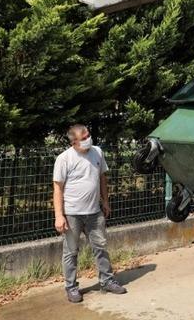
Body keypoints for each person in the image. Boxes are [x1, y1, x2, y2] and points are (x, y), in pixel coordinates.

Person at [53, 124, 127, 303]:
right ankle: (71, 288)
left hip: (94, 212)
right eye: (84, 138)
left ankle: (107, 281)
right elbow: (58, 188)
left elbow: (102, 177)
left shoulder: (97, 152)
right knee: (71, 252)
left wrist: (106, 201)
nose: (88, 139)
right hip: (72, 214)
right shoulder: (64, 159)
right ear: (73, 142)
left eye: (88, 135)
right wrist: (59, 215)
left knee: (101, 247)